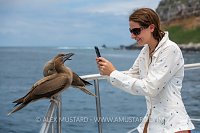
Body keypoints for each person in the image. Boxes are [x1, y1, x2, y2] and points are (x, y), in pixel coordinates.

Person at [96, 8, 195, 133]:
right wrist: (107, 71)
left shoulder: (170, 50)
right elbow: (133, 75)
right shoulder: (145, 51)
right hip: (152, 120)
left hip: (173, 124)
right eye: (131, 31)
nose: (132, 36)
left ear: (151, 28)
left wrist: (113, 73)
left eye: (136, 31)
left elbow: (150, 88)